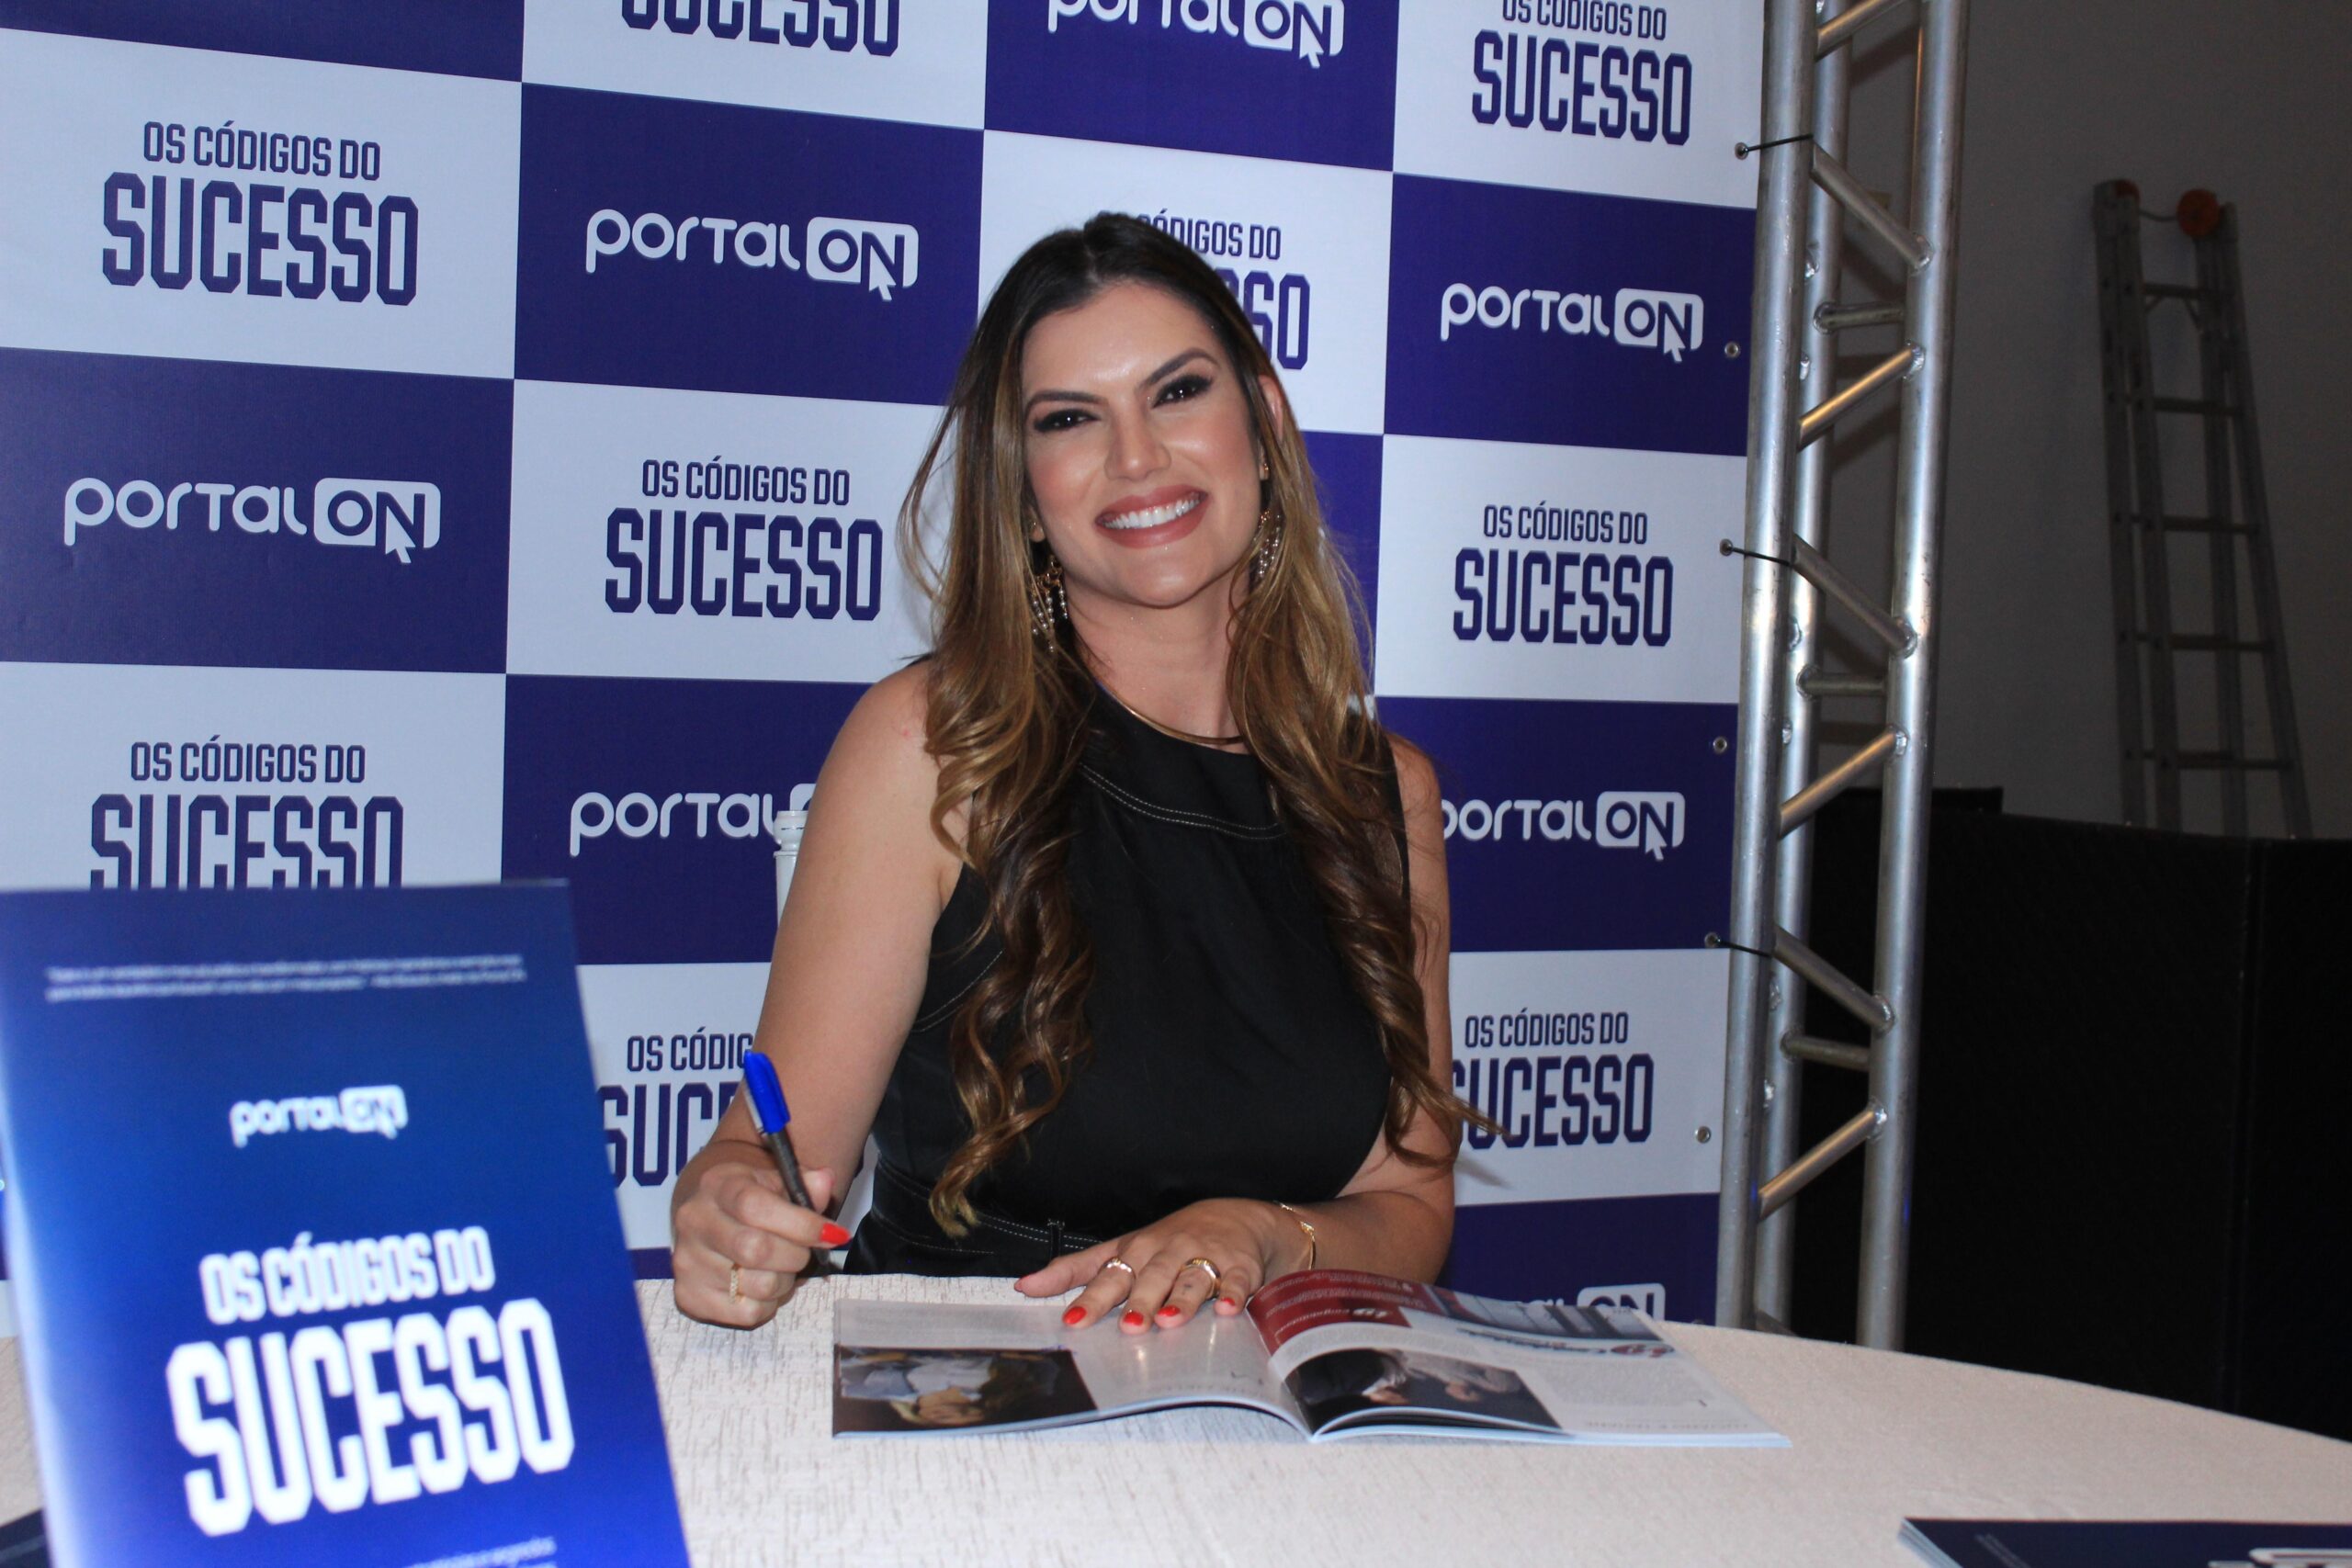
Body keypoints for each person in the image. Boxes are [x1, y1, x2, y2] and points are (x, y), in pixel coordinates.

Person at [669, 212, 1469, 1335]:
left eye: (1177, 392)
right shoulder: (932, 748)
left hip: (1269, 1402)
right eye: (1070, 419)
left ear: (1264, 425)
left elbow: (1408, 1204)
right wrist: (727, 1199)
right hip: (970, 1390)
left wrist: (1257, 1233)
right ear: (1025, 491)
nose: (1136, 458)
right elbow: (774, 1149)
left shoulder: (1384, 796)